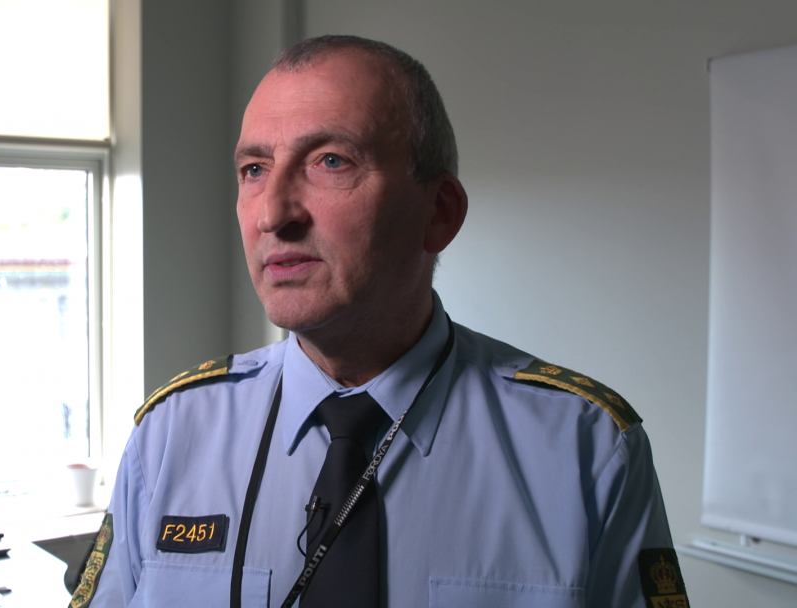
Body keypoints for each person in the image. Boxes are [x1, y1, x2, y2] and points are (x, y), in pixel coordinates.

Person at [70, 35, 687, 608]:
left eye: (330, 161)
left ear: (439, 213)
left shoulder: (586, 447)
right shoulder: (171, 434)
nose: (273, 214)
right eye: (255, 169)